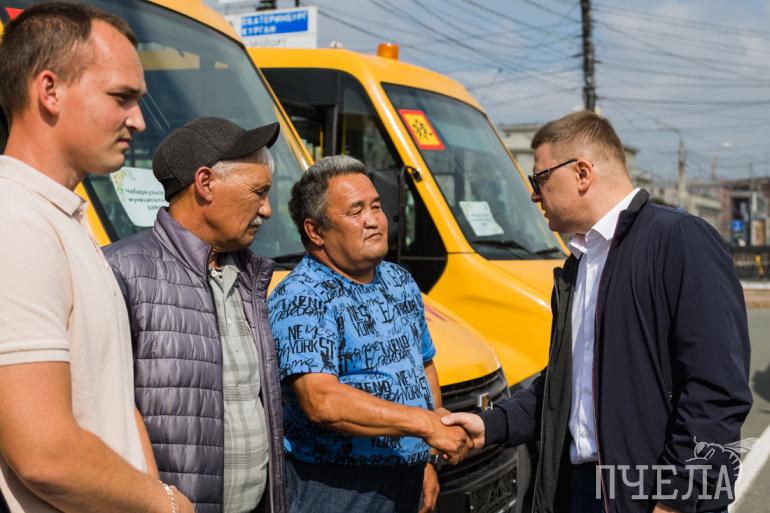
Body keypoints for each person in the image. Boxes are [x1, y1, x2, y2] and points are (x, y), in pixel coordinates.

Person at [443, 111, 752, 513]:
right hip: (586, 489)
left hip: (651, 495)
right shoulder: (580, 262)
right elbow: (566, 383)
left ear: (582, 173)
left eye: (539, 178)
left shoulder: (680, 239)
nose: (534, 195)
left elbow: (717, 389)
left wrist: (678, 498)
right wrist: (491, 425)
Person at [0, 3, 193, 512]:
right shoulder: (15, 222)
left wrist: (153, 492)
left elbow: (113, 401)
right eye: (121, 97)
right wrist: (168, 504)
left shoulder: (61, 216)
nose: (138, 121)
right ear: (50, 90)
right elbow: (45, 454)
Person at [268, 155, 471, 513]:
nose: (374, 220)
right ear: (315, 231)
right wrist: (425, 425)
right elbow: (321, 401)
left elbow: (423, 365)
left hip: (407, 476)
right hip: (338, 488)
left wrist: (425, 456)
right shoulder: (301, 296)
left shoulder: (399, 280)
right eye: (356, 211)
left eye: (376, 206)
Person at [104, 117, 286, 513]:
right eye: (258, 192)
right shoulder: (120, 271)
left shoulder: (249, 276)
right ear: (205, 183)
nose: (267, 210)